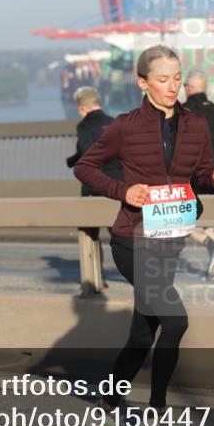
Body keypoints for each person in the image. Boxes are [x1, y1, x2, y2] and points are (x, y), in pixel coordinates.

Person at [74, 45, 214, 426]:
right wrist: (123, 190)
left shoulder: (196, 125)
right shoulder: (124, 127)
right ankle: (154, 419)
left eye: (177, 78)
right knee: (175, 320)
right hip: (131, 240)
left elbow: (199, 174)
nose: (172, 86)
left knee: (142, 335)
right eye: (162, 79)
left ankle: (105, 411)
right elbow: (85, 167)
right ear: (142, 83)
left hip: (170, 239)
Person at [65, 86, 122, 295]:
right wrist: (72, 160)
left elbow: (89, 159)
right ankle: (139, 276)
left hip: (96, 187)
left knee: (90, 234)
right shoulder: (115, 122)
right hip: (118, 185)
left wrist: (87, 191)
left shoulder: (84, 126)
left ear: (82, 108)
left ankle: (97, 279)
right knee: (119, 233)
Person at [182, 70, 214, 282]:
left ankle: (209, 245)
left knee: (179, 221)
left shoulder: (182, 111)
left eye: (185, 85)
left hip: (191, 175)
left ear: (190, 88)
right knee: (212, 220)